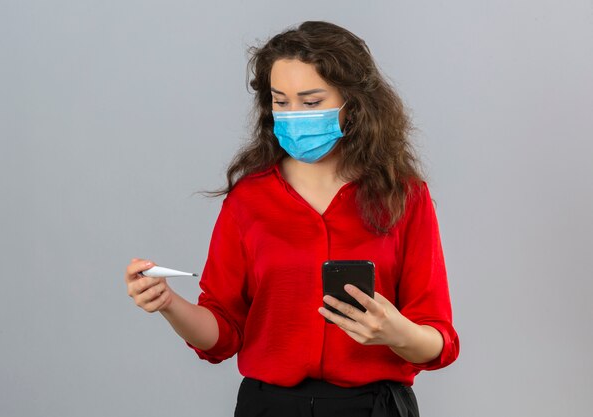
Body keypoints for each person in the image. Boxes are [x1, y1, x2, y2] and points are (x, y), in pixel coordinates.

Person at [124, 20, 460, 417]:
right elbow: (222, 334)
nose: (293, 114)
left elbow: (440, 342)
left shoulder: (404, 197)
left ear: (352, 104)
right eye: (281, 102)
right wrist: (168, 304)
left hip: (374, 406)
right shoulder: (248, 199)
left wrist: (395, 332)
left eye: (312, 102)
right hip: (269, 406)